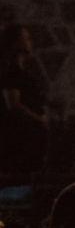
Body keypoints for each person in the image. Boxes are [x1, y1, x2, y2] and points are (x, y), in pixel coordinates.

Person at [0, 24, 48, 179]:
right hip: (20, 139)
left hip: (28, 137)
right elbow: (13, 104)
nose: (30, 41)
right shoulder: (12, 73)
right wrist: (40, 119)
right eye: (25, 38)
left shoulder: (20, 72)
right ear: (16, 43)